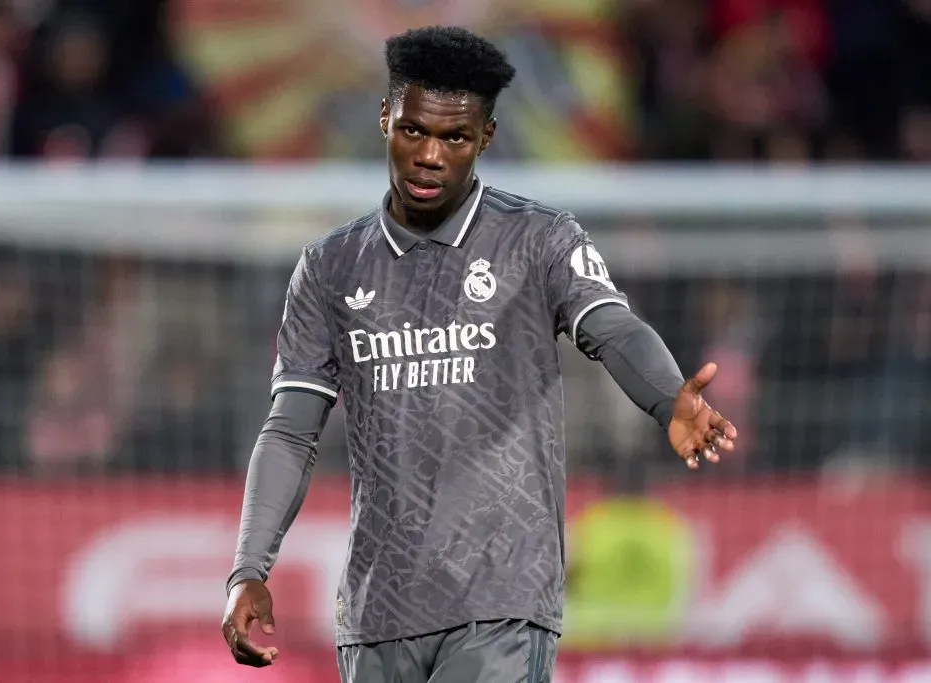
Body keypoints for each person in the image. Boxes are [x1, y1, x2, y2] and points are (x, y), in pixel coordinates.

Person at [222, 26, 737, 683]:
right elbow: (291, 429)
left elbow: (612, 326)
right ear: (385, 119)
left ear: (486, 137)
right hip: (379, 611)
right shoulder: (330, 267)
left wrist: (667, 398)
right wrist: (249, 567)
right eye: (413, 131)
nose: (429, 156)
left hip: (502, 602)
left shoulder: (540, 241)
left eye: (455, 138)